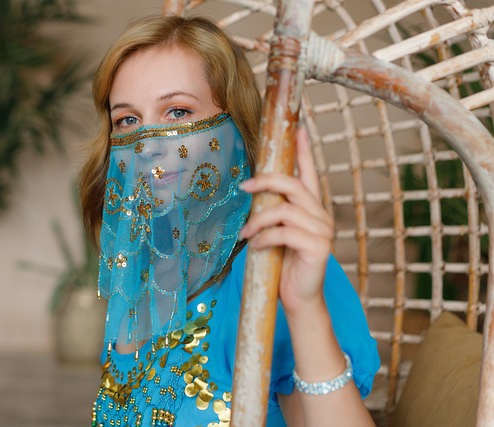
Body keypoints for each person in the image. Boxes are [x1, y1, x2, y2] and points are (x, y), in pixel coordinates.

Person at [78, 15, 380, 427]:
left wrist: (305, 307)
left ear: (236, 129)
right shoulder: (141, 273)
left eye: (177, 111)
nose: (147, 143)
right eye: (128, 120)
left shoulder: (276, 268)